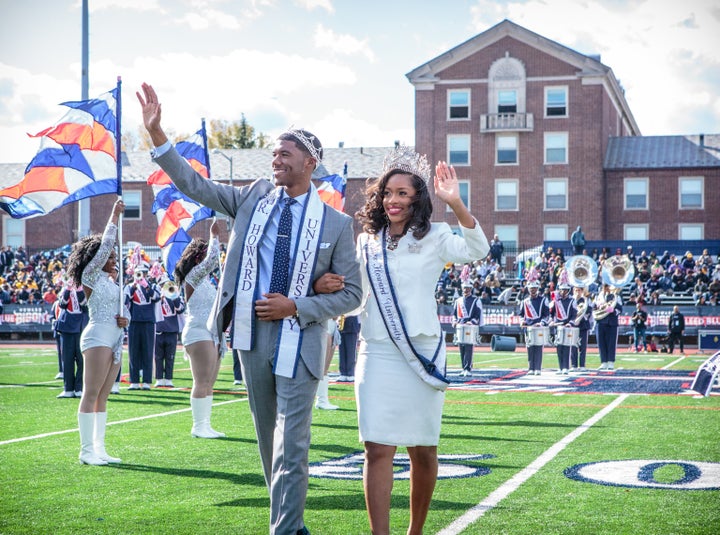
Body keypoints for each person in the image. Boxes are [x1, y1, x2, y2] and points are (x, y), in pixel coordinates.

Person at [138, 83, 362, 535]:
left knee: (293, 440)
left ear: (309, 163)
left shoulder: (337, 224)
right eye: (274, 154)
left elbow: (352, 295)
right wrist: (158, 135)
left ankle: (285, 529)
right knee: (269, 439)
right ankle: (289, 522)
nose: (276, 160)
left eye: (285, 154)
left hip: (302, 338)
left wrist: (297, 304)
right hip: (251, 336)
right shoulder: (251, 199)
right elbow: (194, 184)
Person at [318, 149, 489, 534]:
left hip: (421, 350)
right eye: (387, 193)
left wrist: (457, 203)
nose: (393, 201)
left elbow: (478, 251)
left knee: (422, 449)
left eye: (402, 194)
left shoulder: (438, 236)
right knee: (376, 447)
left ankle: (415, 531)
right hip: (377, 350)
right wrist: (323, 284)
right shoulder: (365, 242)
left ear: (418, 198)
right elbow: (351, 290)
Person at [66, 198, 129, 465]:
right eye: (110, 257)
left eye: (115, 257)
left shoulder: (112, 281)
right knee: (90, 393)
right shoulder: (91, 275)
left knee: (104, 396)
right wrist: (114, 216)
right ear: (97, 259)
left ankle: (100, 448)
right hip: (96, 338)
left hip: (114, 337)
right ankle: (85, 450)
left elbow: (119, 310)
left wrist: (124, 320)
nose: (113, 260)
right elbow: (104, 248)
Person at [174, 220, 226, 438]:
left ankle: (205, 423)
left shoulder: (206, 281)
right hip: (198, 331)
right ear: (198, 258)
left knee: (210, 381)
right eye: (204, 256)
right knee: (202, 381)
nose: (209, 261)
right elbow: (213, 258)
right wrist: (214, 236)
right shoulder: (192, 277)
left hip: (211, 332)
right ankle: (198, 425)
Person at [124, 267, 160, 390]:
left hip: (148, 322)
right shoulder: (129, 287)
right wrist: (134, 287)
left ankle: (146, 381)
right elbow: (125, 301)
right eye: (138, 273)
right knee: (133, 351)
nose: (141, 276)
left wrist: (146, 286)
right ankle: (134, 381)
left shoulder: (153, 286)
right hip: (134, 321)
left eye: (143, 273)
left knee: (147, 351)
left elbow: (156, 298)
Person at [55, 281, 89, 398]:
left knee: (81, 360)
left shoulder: (86, 288)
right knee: (67, 359)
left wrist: (79, 290)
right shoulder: (65, 289)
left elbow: (85, 306)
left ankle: (79, 388)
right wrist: (68, 289)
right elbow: (62, 304)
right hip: (67, 327)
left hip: (81, 327)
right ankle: (68, 389)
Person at [154, 277, 185, 387]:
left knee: (170, 356)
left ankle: (168, 378)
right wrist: (160, 297)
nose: (165, 287)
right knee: (158, 356)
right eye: (163, 285)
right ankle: (158, 378)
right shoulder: (158, 298)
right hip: (159, 330)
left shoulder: (177, 297)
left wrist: (174, 296)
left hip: (172, 331)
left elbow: (180, 309)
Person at [520, 273, 550, 375]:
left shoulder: (543, 300)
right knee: (529, 348)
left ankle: (538, 368)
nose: (532, 290)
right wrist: (522, 321)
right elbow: (521, 315)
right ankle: (531, 368)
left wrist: (541, 323)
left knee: (538, 347)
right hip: (528, 328)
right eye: (530, 288)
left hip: (539, 327)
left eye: (534, 288)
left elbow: (547, 315)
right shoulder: (525, 301)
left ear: (537, 288)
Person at [549, 273, 577, 375]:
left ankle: (566, 367)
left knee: (566, 348)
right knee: (559, 347)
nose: (563, 292)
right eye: (561, 290)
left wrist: (570, 323)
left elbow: (574, 314)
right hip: (558, 327)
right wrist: (552, 321)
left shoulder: (572, 300)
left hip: (567, 326)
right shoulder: (555, 301)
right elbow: (551, 314)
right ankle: (560, 367)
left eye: (565, 290)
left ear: (568, 290)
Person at [453, 281, 482, 376]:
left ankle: (468, 368)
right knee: (461, 347)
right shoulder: (458, 301)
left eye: (468, 288)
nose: (466, 290)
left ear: (471, 289)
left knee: (469, 347)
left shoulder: (475, 299)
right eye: (464, 288)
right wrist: (454, 321)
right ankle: (463, 368)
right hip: (460, 326)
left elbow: (478, 314)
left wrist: (472, 321)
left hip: (469, 326)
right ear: (462, 289)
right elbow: (454, 314)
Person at [594, 283, 623, 370]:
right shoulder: (598, 296)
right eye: (604, 287)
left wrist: (613, 311)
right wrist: (600, 307)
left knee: (611, 343)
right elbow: (593, 308)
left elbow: (620, 309)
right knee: (601, 343)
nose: (606, 288)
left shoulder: (616, 297)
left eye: (607, 286)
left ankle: (610, 362)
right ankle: (603, 362)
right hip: (600, 321)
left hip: (611, 322)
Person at [315, 318, 340, 410]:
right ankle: (321, 400)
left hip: (333, 325)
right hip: (324, 324)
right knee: (321, 367)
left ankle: (323, 400)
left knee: (325, 368)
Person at [570, 285, 593, 371]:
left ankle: (582, 365)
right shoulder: (572, 300)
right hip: (573, 325)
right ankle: (574, 365)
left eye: (579, 290)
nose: (577, 292)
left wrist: (581, 316)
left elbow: (589, 311)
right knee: (573, 346)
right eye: (576, 290)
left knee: (582, 346)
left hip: (583, 325)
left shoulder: (586, 300)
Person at [337, 313, 360, 382]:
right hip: (341, 325)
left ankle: (350, 373)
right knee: (342, 351)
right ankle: (343, 373)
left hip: (351, 325)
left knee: (351, 351)